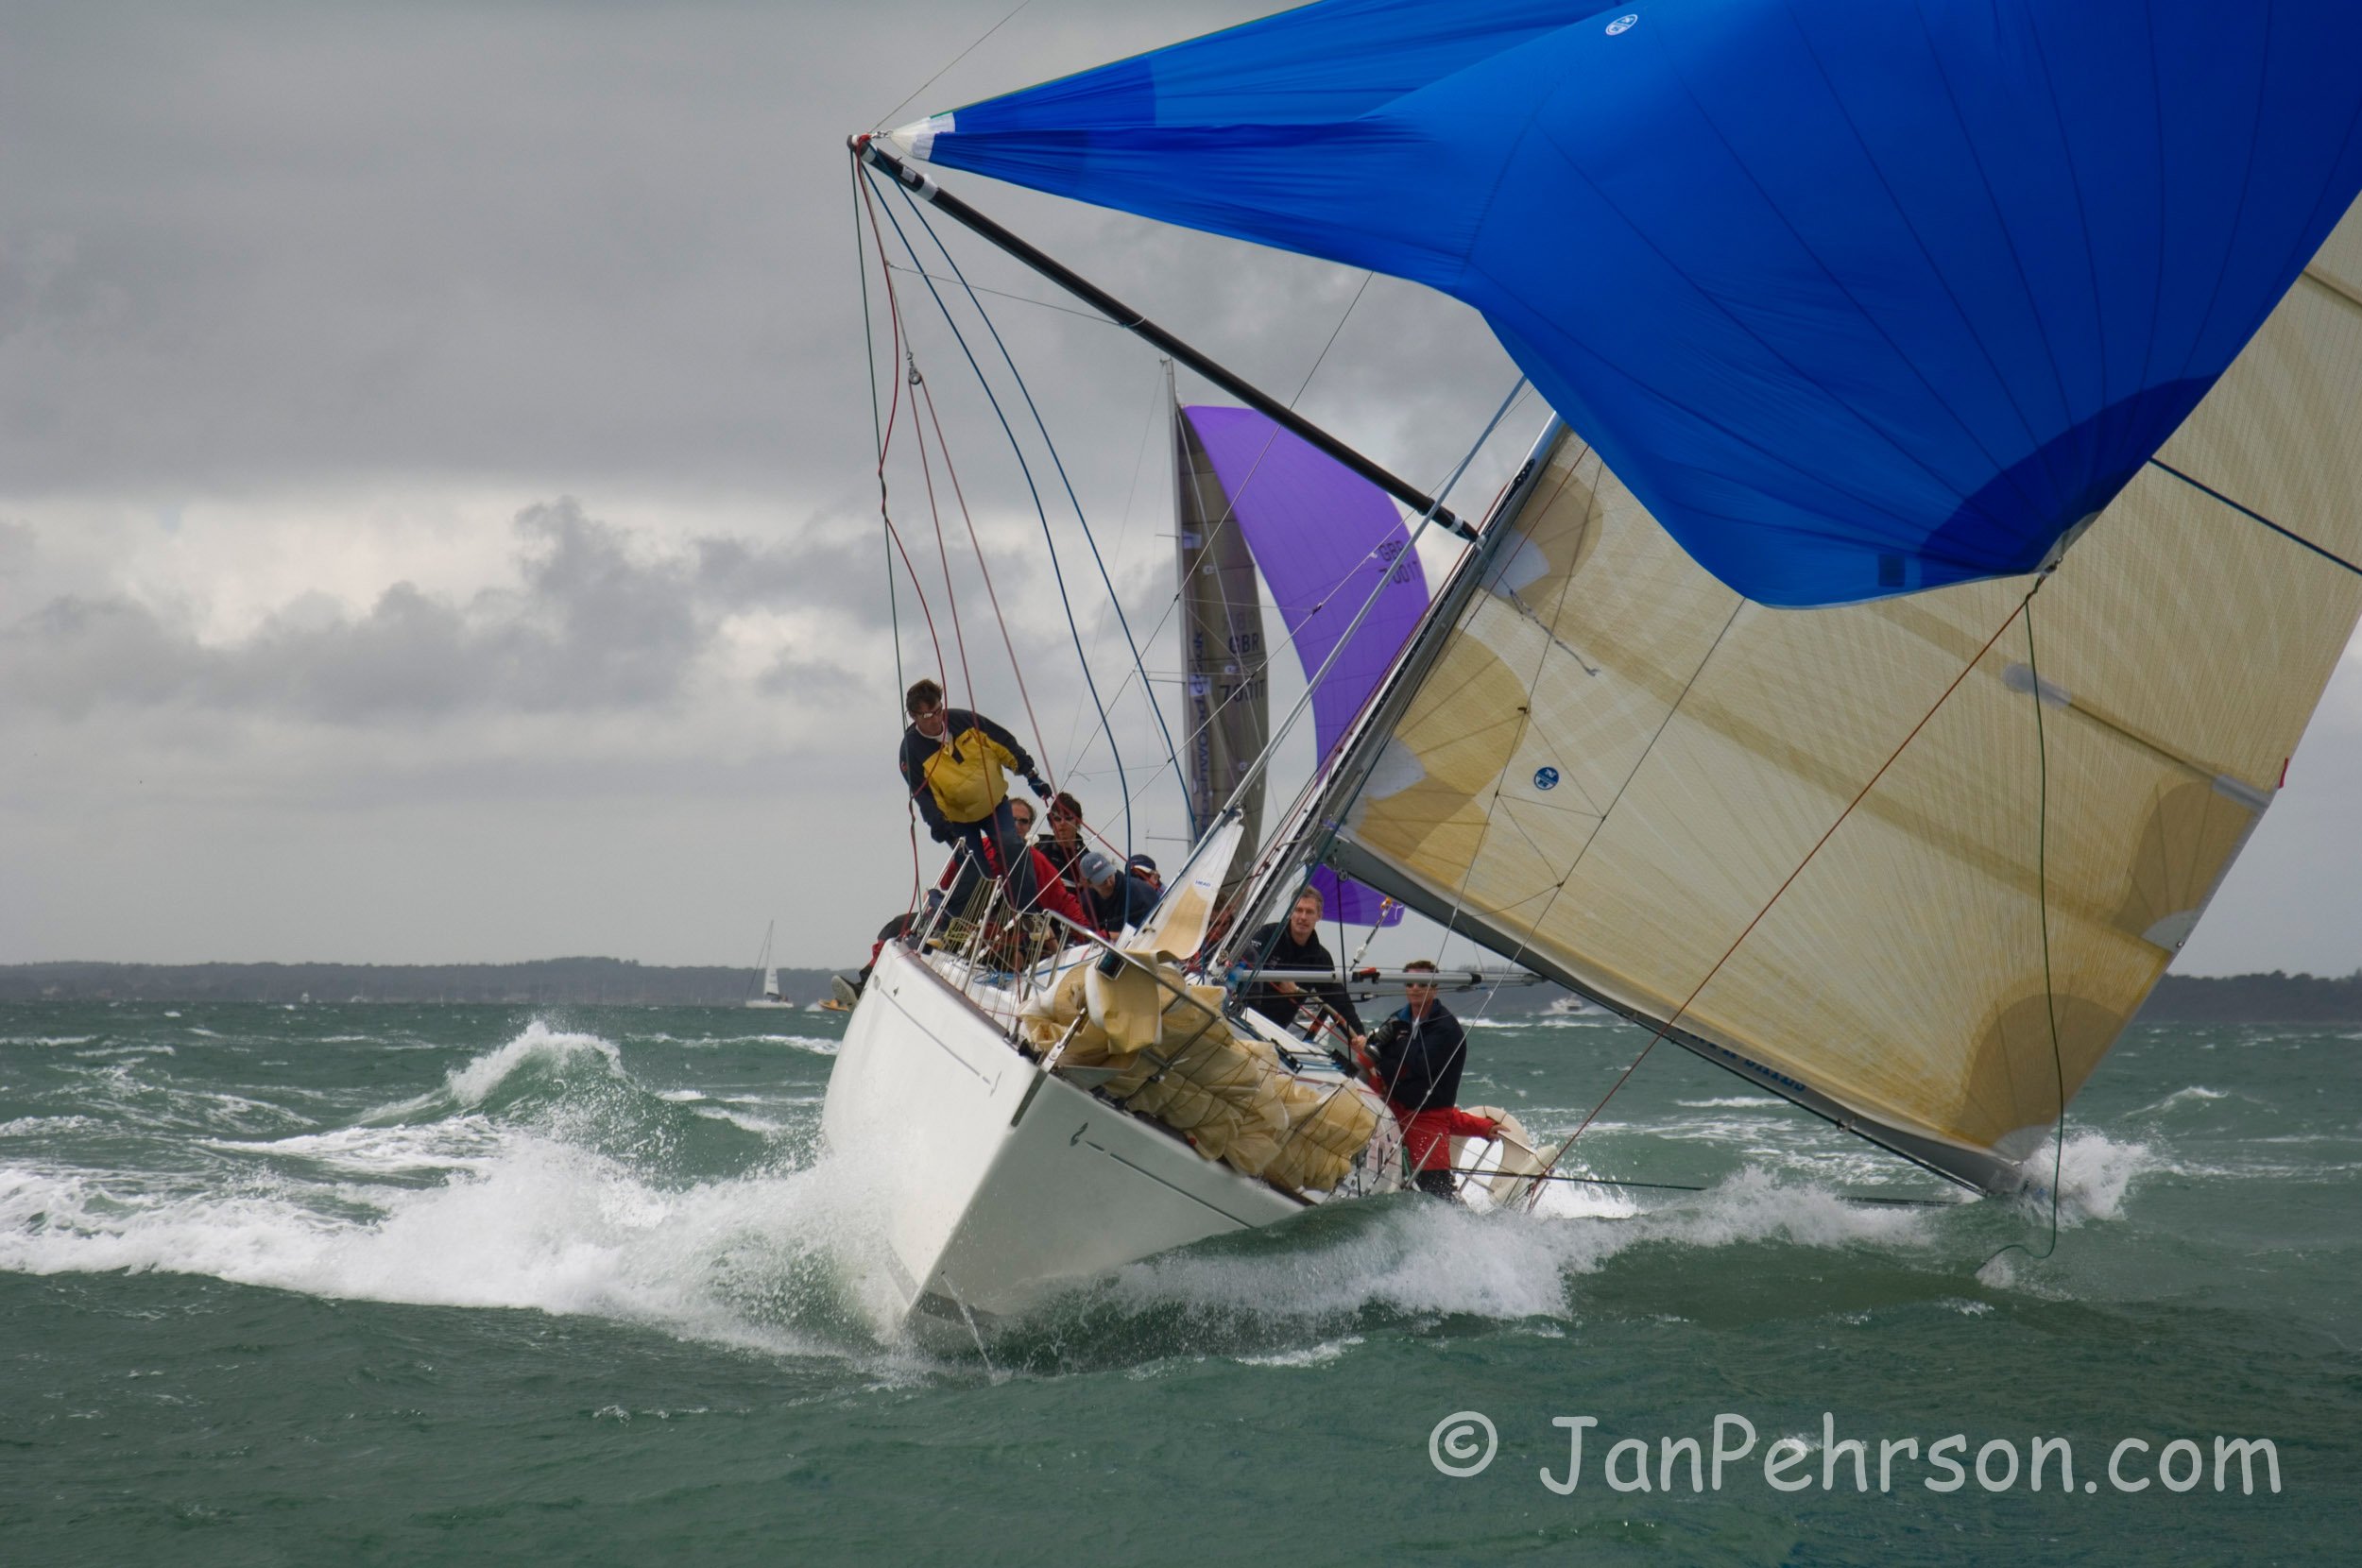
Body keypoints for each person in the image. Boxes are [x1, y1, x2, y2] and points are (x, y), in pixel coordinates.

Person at [898, 678, 1049, 918]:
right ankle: (955, 923)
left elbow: (1003, 743)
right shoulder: (911, 751)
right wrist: (939, 826)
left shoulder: (963, 720)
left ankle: (1028, 915)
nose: (936, 719)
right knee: (975, 871)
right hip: (957, 820)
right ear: (913, 716)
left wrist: (1030, 773)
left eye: (938, 711)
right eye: (927, 717)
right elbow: (924, 797)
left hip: (993, 804)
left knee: (1012, 846)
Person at [1361, 959, 1499, 1198]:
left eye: (1423, 983)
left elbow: (1419, 1065)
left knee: (1436, 1190)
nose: (1415, 988)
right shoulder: (1398, 1019)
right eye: (1410, 983)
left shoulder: (1446, 1028)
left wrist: (1390, 1053)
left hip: (1427, 1119)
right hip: (1394, 1108)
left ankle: (1459, 1228)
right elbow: (1375, 1050)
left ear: (1434, 989)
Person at [1237, 885, 1365, 1052]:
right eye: (1298, 910)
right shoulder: (1267, 934)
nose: (1303, 917)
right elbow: (1246, 961)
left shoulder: (1320, 957)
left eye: (1309, 912)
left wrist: (1357, 1034)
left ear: (1319, 916)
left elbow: (1338, 998)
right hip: (1243, 1018)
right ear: (1291, 912)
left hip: (1273, 1033)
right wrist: (1278, 979)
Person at [1077, 849, 1158, 932]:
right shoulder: (1086, 902)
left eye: (1109, 875)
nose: (1109, 883)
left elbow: (1148, 931)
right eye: (1102, 880)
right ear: (1089, 883)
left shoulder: (1139, 894)